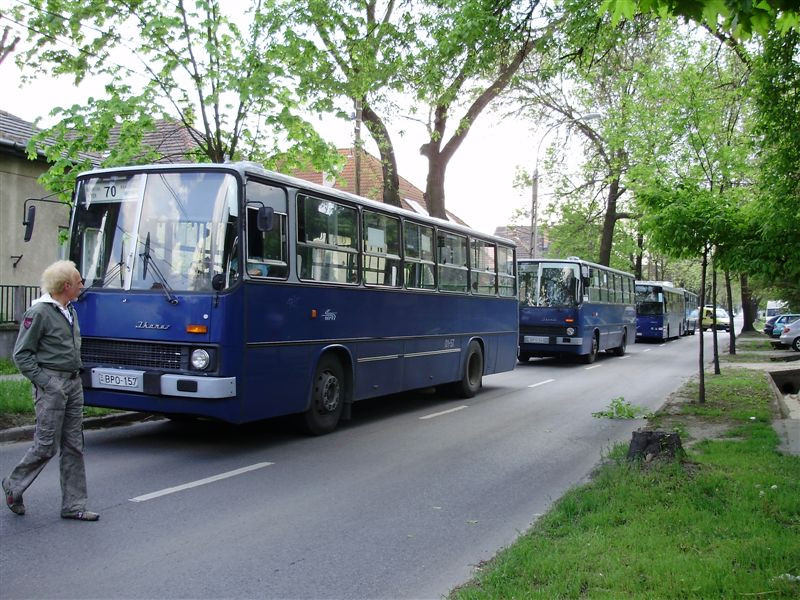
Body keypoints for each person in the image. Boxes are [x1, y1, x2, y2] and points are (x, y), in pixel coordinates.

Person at [2, 260, 99, 521]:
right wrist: (48, 383)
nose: (82, 285)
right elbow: (21, 356)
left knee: (74, 446)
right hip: (52, 386)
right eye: (79, 281)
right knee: (46, 446)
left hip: (73, 383)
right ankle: (13, 484)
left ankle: (74, 505)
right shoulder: (40, 312)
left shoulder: (70, 310)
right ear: (66, 286)